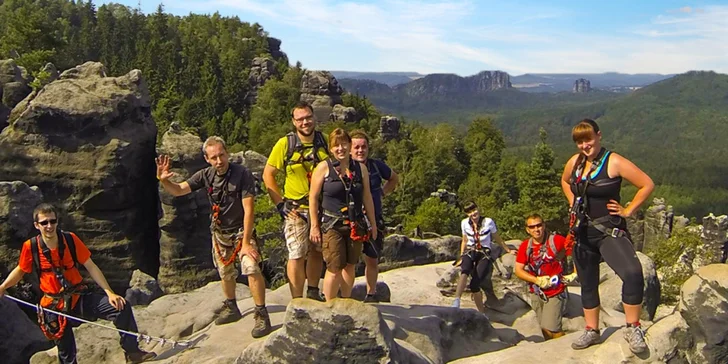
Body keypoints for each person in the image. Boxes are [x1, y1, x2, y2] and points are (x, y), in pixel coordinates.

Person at [0, 203, 156, 364]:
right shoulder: (31, 246)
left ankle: (132, 352)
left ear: (57, 221)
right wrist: (3, 287)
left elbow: (91, 266)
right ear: (36, 225)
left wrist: (109, 292)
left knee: (120, 308)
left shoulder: (70, 239)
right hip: (53, 305)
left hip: (78, 297)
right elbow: (20, 270)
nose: (49, 226)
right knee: (67, 353)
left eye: (52, 221)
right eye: (44, 222)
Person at [156, 136, 271, 338]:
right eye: (214, 157)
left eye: (221, 155)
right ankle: (231, 306)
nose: (219, 161)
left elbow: (249, 210)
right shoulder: (205, 175)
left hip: (241, 231)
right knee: (225, 272)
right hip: (220, 232)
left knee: (251, 267)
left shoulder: (242, 174)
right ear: (207, 159)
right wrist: (165, 181)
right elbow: (180, 190)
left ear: (227, 153)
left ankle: (261, 313)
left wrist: (245, 243)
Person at [561, 118, 654, 353]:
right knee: (588, 283)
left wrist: (628, 210)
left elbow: (646, 184)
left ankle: (633, 327)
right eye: (580, 141)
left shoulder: (613, 161)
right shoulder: (576, 162)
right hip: (582, 232)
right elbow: (564, 181)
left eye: (588, 139)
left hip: (608, 231)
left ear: (599, 136)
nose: (584, 145)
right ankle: (592, 330)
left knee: (633, 274)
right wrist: (573, 202)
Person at [263, 101, 329, 301]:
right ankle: (297, 300)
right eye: (300, 119)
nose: (305, 122)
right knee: (297, 254)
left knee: (317, 252)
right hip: (296, 208)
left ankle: (313, 291)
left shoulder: (325, 141)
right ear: (293, 122)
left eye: (308, 117)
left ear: (314, 118)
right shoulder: (285, 144)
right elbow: (268, 175)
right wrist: (280, 204)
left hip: (322, 208)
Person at [308, 128, 378, 301]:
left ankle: (346, 303)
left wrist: (373, 223)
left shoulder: (360, 169)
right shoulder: (324, 168)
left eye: (344, 144)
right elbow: (313, 198)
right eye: (336, 145)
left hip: (355, 223)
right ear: (331, 149)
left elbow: (367, 196)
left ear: (349, 145)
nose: (341, 148)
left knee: (350, 265)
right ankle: (329, 305)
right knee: (334, 267)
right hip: (332, 224)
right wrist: (315, 226)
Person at [349, 130, 399, 302]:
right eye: (356, 147)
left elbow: (393, 178)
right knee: (348, 261)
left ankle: (371, 293)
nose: (360, 150)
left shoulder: (376, 166)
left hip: (373, 221)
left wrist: (382, 194)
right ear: (349, 149)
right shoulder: (344, 168)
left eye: (363, 147)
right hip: (351, 221)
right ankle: (345, 295)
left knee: (372, 259)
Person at [514, 214, 577, 340]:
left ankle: (563, 348)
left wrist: (574, 273)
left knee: (551, 328)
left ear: (544, 226)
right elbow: (518, 270)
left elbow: (575, 251)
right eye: (532, 227)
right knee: (545, 328)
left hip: (556, 290)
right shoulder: (526, 247)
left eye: (538, 225)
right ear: (527, 229)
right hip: (536, 292)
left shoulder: (556, 240)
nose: (536, 229)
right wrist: (536, 280)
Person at [451, 201, 515, 312]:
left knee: (475, 284)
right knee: (465, 270)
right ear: (467, 214)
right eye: (469, 212)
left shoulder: (488, 222)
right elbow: (465, 240)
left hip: (484, 252)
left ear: (478, 208)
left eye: (474, 210)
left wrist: (508, 250)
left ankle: (481, 312)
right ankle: (456, 300)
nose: (473, 213)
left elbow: (496, 237)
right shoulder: (464, 223)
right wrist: (462, 256)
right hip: (470, 250)